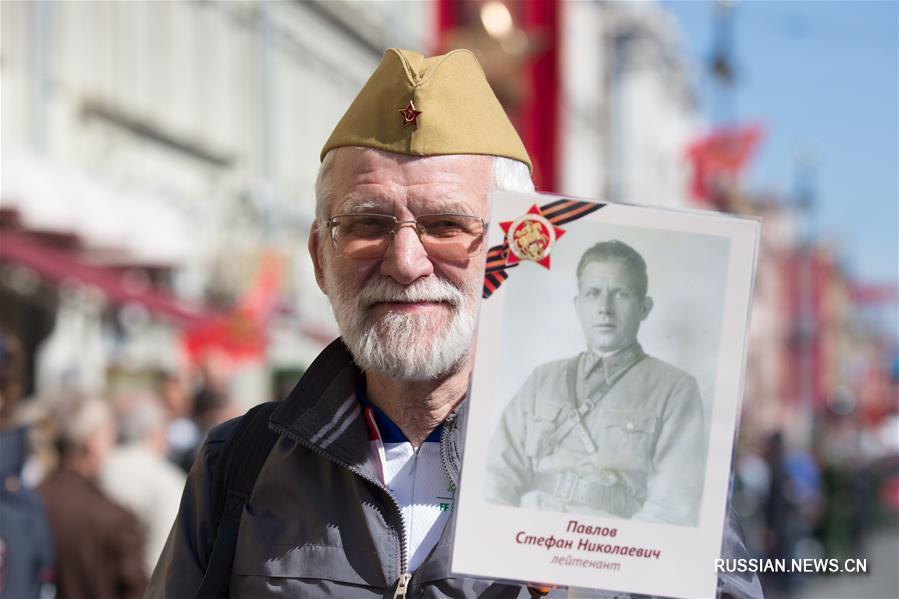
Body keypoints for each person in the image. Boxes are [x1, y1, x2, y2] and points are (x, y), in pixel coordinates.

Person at [149, 48, 762, 598]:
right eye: (366, 224)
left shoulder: (659, 469)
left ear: (513, 252)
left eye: (446, 225)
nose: (406, 262)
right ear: (319, 257)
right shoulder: (240, 464)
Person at [486, 240, 706, 526]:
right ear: (578, 306)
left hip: (612, 549)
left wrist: (609, 557)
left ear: (644, 308)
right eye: (593, 293)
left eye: (621, 294)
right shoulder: (543, 380)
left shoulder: (675, 390)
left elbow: (674, 506)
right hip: (531, 531)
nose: (605, 308)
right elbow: (496, 477)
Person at [38, 396, 147, 599]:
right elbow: (137, 590)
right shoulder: (114, 517)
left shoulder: (33, 500)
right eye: (109, 436)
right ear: (91, 442)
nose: (112, 446)